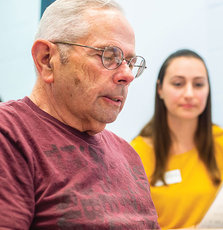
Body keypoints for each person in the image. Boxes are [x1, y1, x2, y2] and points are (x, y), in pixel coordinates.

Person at [0, 0, 160, 229]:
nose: (127, 75)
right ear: (47, 59)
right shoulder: (10, 135)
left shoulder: (128, 155)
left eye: (130, 62)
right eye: (109, 55)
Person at [131, 49, 223, 229]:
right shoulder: (136, 153)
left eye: (199, 85)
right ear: (160, 89)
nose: (189, 94)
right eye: (178, 84)